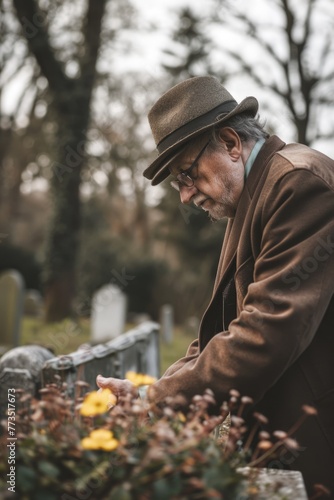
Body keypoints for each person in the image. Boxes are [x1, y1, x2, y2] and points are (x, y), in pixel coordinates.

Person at [97, 76, 334, 495]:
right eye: (178, 183)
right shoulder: (252, 191)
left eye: (188, 174)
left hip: (315, 440)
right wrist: (150, 392)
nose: (186, 197)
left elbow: (265, 333)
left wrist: (156, 402)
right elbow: (223, 328)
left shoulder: (299, 184)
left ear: (230, 143)